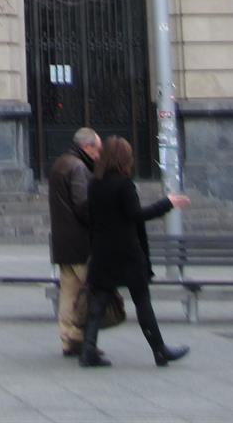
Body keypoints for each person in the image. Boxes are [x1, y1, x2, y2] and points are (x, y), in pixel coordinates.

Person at [79, 135, 191, 369]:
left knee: (98, 302)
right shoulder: (124, 184)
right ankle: (159, 350)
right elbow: (136, 215)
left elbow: (92, 218)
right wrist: (167, 203)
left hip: (102, 252)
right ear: (123, 158)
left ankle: (88, 350)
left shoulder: (95, 183)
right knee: (142, 301)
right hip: (127, 253)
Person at [47, 126, 102, 357]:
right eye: (98, 149)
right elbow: (82, 204)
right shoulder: (78, 167)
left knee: (68, 293)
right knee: (86, 293)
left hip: (63, 240)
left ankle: (67, 338)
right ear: (87, 147)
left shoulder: (61, 163)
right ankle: (81, 338)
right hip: (79, 241)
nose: (99, 155)